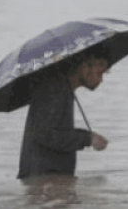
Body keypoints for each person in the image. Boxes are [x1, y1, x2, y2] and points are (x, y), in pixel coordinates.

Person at [17, 53, 110, 181]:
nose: (100, 80)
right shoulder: (56, 89)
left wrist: (89, 137)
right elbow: (45, 134)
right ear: (84, 67)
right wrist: (88, 139)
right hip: (46, 179)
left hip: (48, 178)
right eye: (99, 73)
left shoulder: (61, 87)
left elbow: (54, 131)